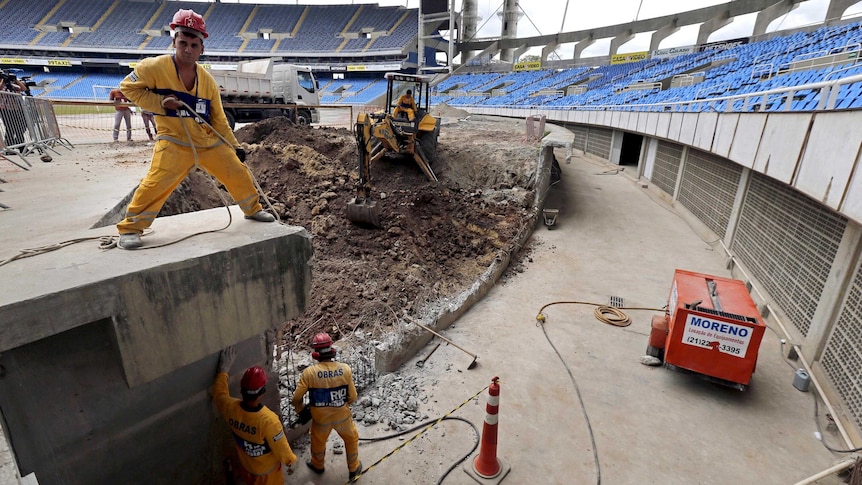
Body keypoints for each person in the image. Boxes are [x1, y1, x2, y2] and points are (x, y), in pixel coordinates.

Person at [114, 8, 275, 250]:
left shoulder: (207, 81)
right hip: (174, 141)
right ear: (174, 41)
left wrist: (235, 146)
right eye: (183, 43)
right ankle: (131, 228)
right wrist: (160, 103)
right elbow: (128, 88)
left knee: (237, 171)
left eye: (193, 44)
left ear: (201, 48)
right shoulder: (154, 68)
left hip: (206, 141)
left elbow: (218, 119)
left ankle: (252, 210)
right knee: (156, 182)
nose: (187, 49)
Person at [214, 346, 297, 485]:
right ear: (262, 391)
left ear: (242, 389)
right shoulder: (269, 421)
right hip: (268, 475)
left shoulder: (230, 408)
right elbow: (281, 448)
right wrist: (291, 461)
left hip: (247, 468)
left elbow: (219, 393)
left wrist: (223, 371)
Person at [291, 333, 362, 481]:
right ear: (332, 349)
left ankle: (318, 465)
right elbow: (353, 397)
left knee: (318, 442)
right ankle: (354, 468)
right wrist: (341, 405)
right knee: (351, 439)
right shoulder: (345, 369)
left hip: (320, 419)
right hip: (342, 416)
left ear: (316, 354)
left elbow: (296, 398)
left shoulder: (309, 373)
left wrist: (302, 411)